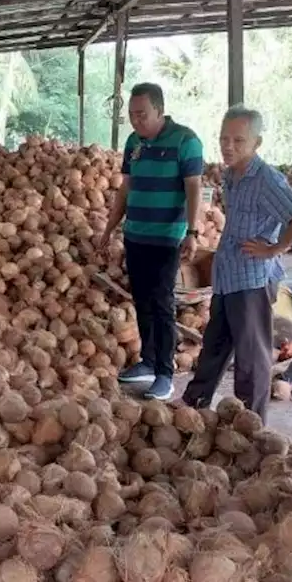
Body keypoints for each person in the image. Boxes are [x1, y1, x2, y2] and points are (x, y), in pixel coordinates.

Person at [183, 105, 292, 419]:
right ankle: (193, 406)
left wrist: (275, 248)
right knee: (214, 348)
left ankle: (251, 423)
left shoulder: (266, 179)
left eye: (238, 141)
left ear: (257, 143)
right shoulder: (231, 175)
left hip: (252, 279)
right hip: (228, 276)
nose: (228, 146)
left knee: (251, 358)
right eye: (224, 138)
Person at [96, 82, 204, 402]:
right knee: (142, 299)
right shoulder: (133, 142)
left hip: (167, 237)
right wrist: (109, 228)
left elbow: (194, 188)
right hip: (136, 234)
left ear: (159, 109)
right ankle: (147, 361)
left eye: (142, 114)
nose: (136, 121)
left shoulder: (186, 140)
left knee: (162, 302)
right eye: (131, 115)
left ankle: (165, 374)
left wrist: (193, 232)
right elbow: (125, 189)